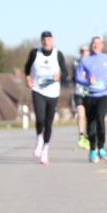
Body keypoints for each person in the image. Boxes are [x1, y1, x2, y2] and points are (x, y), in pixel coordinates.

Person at [75, 35, 107, 163]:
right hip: (89, 95)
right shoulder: (85, 60)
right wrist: (87, 81)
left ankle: (101, 147)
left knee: (100, 119)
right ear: (91, 45)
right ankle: (92, 150)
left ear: (102, 45)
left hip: (104, 93)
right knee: (91, 123)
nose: (96, 45)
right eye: (94, 43)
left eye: (98, 43)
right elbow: (78, 76)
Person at [25, 31, 67, 165]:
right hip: (38, 89)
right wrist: (28, 77)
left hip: (53, 92)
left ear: (52, 40)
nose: (46, 42)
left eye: (48, 39)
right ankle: (39, 139)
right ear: (41, 41)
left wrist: (59, 77)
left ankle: (45, 150)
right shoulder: (34, 53)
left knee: (48, 122)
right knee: (40, 118)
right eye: (44, 40)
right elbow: (27, 67)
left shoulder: (58, 54)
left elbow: (65, 72)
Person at [72, 45, 90, 149]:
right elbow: (73, 77)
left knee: (90, 117)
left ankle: (88, 135)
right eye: (82, 51)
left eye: (86, 50)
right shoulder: (76, 63)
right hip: (79, 92)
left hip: (91, 93)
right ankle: (81, 135)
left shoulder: (93, 62)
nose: (84, 52)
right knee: (81, 114)